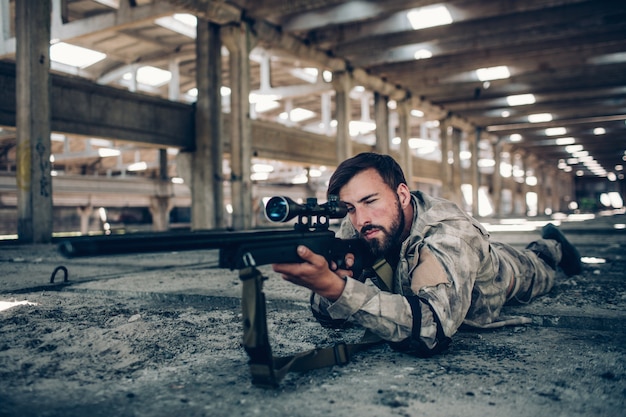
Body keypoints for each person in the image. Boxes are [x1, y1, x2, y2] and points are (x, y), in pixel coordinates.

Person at [272, 152, 582, 357]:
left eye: (370, 201)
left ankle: (551, 247)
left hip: (506, 275)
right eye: (350, 208)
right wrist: (330, 285)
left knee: (539, 267)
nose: (361, 218)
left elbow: (431, 331)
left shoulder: (449, 232)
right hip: (441, 270)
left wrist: (337, 289)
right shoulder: (359, 226)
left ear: (402, 195)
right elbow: (329, 316)